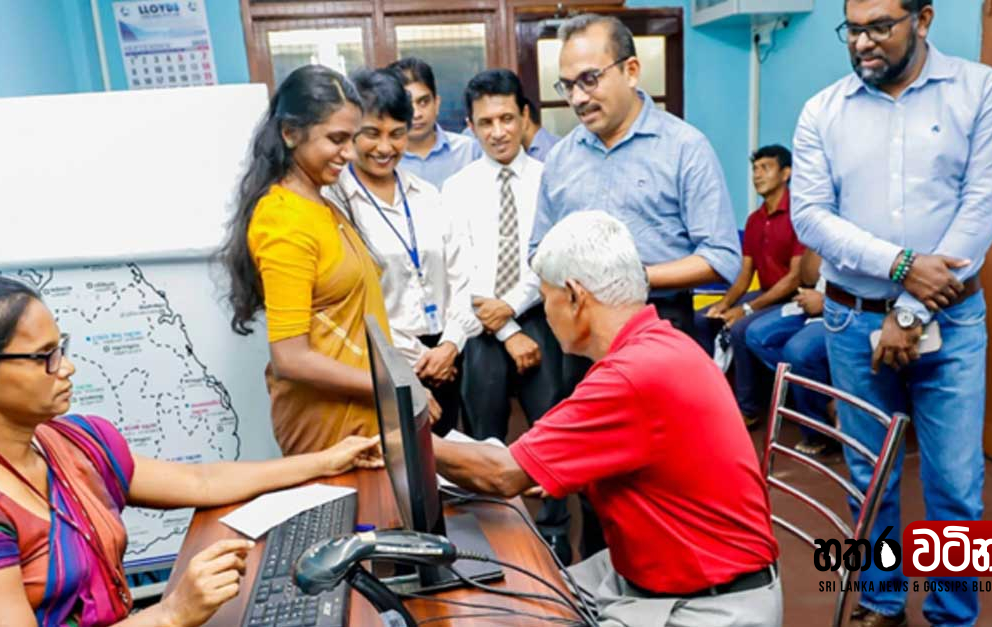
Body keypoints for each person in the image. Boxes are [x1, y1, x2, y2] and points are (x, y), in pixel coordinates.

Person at [0, 274, 382, 627]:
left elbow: (200, 482)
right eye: (44, 357)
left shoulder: (68, 442)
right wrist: (171, 614)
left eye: (61, 348)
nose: (66, 367)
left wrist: (327, 460)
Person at [433, 212, 781, 627]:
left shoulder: (630, 376)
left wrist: (404, 440)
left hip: (704, 604)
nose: (545, 315)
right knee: (515, 593)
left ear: (575, 296)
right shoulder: (660, 345)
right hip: (661, 572)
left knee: (506, 611)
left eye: (545, 299)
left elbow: (502, 474)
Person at [791, 1, 992, 625]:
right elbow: (811, 216)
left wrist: (912, 309)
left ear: (923, 19)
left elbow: (981, 210)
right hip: (851, 320)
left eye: (880, 27)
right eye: (853, 29)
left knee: (957, 487)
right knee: (866, 480)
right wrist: (900, 265)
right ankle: (880, 601)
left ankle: (952, 615)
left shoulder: (980, 91)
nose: (863, 42)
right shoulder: (822, 111)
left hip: (953, 321)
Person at [441, 69, 588, 563]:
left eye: (506, 118)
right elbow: (460, 273)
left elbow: (553, 257)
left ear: (525, 117)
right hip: (481, 328)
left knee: (551, 431)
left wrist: (515, 311)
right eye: (485, 122)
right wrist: (506, 328)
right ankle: (491, 539)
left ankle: (553, 537)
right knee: (483, 437)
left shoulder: (551, 179)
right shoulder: (456, 189)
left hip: (543, 319)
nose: (498, 131)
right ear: (470, 126)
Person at [219, 65, 400, 455]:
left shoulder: (320, 204)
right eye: (336, 139)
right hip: (329, 429)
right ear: (290, 133)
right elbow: (291, 358)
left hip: (366, 417)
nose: (349, 153)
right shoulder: (283, 219)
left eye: (352, 139)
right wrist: (395, 388)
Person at [530, 13, 742, 337]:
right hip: (579, 328)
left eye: (589, 79)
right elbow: (538, 251)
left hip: (660, 318)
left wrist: (634, 278)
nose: (578, 98)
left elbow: (721, 257)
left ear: (630, 71)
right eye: (568, 85)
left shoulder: (685, 147)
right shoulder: (560, 158)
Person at [326, 68, 480, 436]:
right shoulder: (336, 204)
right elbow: (354, 301)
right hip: (382, 361)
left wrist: (450, 344)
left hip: (447, 356)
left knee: (445, 456)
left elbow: (462, 276)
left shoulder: (427, 195)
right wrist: (418, 356)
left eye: (396, 134)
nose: (385, 148)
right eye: (372, 134)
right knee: (396, 461)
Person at [694, 145, 804, 427]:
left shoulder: (799, 215)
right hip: (766, 294)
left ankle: (748, 409)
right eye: (755, 169)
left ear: (786, 173)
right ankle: (714, 397)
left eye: (765, 168)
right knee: (703, 319)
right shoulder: (755, 220)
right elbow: (745, 275)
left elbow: (794, 278)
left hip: (795, 298)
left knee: (740, 328)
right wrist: (724, 304)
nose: (757, 175)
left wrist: (746, 309)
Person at [744, 250, 836, 455]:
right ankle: (820, 395)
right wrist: (816, 242)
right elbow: (808, 277)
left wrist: (826, 301)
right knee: (757, 335)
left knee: (798, 351)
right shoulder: (831, 233)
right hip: (814, 302)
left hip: (846, 310)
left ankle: (819, 432)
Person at [387, 57, 482, 188]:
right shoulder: (385, 160)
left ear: (436, 103)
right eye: (406, 105)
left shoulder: (469, 151)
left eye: (423, 102)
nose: (416, 114)